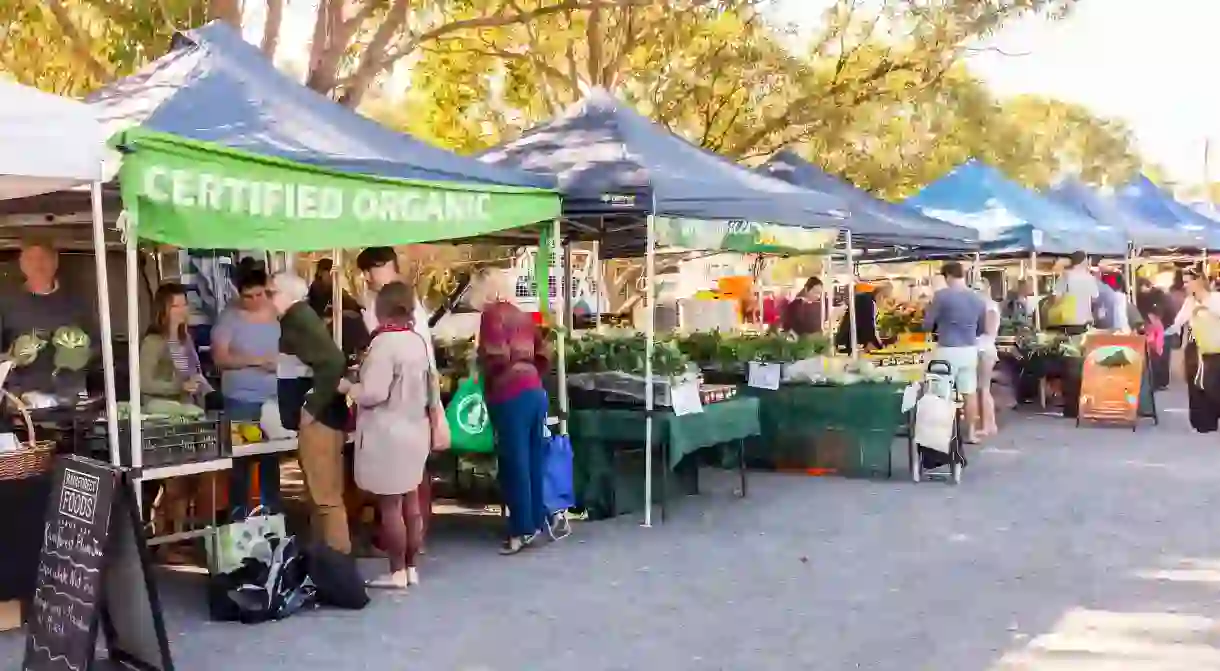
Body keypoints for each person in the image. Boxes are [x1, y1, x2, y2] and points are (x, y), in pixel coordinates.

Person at [343, 282, 434, 590]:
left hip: (388, 433)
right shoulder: (417, 341)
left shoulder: (384, 344)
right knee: (412, 502)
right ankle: (411, 567)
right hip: (415, 429)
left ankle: (395, 572)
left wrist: (349, 388)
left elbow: (373, 393)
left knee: (390, 506)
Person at [356, 246, 436, 547]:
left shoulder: (394, 317)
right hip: (413, 409)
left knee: (396, 498)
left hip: (395, 413)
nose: (366, 277)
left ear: (388, 265)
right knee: (412, 492)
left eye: (370, 270)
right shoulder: (406, 315)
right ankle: (410, 556)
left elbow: (376, 389)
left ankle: (399, 560)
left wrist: (353, 388)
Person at [471, 270, 553, 554]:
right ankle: (535, 522)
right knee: (532, 460)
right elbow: (544, 353)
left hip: (510, 393)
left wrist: (485, 375)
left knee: (513, 463)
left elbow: (496, 356)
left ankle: (520, 531)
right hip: (534, 389)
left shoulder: (492, 315)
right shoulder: (523, 316)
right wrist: (531, 373)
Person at [272, 272, 352, 554]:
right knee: (319, 497)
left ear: (285, 294)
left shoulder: (299, 318)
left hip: (320, 421)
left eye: (271, 293)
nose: (269, 300)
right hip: (319, 419)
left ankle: (338, 566)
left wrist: (311, 406)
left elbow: (332, 361)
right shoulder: (298, 318)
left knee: (325, 497)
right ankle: (326, 563)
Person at [140, 283, 219, 561]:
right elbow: (144, 382)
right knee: (173, 481)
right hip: (165, 418)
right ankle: (165, 543)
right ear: (164, 309)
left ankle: (180, 535)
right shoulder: (153, 342)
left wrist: (209, 393)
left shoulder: (186, 339)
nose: (183, 309)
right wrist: (178, 385)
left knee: (190, 480)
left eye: (184, 303)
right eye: (177, 304)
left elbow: (196, 373)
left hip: (190, 414)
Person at [212, 268, 281, 519]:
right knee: (240, 461)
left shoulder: (278, 313)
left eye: (258, 295)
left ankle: (272, 515)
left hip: (274, 399)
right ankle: (238, 517)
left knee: (270, 460)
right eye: (247, 297)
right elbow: (220, 358)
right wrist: (255, 361)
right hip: (240, 397)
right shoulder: (229, 318)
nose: (253, 301)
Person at [0, 238, 97, 395]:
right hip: (22, 396)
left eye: (44, 258)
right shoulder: (5, 303)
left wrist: (81, 352)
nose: (38, 265)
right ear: (22, 264)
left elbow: (96, 344)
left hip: (71, 394)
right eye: (31, 259)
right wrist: (13, 355)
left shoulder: (77, 301)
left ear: (55, 262)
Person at [923, 262, 986, 445]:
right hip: (969, 349)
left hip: (947, 349)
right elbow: (981, 328)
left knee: (942, 394)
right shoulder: (977, 299)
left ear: (948, 276)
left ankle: (944, 434)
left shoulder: (941, 296)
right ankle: (971, 433)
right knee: (969, 393)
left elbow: (927, 324)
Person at [1165, 266, 1220, 432]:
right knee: (1196, 386)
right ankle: (1202, 422)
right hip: (1195, 348)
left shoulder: (1215, 298)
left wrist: (1204, 308)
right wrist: (1163, 333)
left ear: (1198, 281)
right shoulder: (1189, 302)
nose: (1186, 285)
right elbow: (1178, 323)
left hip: (1215, 349)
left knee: (1213, 386)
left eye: (1189, 282)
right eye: (1184, 282)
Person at [974, 279, 1001, 438]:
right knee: (981, 389)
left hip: (984, 349)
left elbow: (989, 330)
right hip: (982, 349)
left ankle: (987, 425)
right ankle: (989, 424)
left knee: (983, 389)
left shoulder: (989, 306)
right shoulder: (984, 305)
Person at [1048, 251, 1099, 335]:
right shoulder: (1090, 278)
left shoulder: (1065, 276)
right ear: (1084, 261)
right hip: (1085, 321)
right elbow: (1094, 298)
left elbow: (1056, 299)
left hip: (1067, 321)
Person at [835, 284, 888, 352]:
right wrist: (880, 346)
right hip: (850, 344)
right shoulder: (869, 302)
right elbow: (869, 327)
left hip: (847, 342)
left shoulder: (865, 298)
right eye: (888, 302)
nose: (885, 306)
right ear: (881, 296)